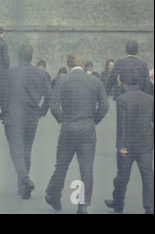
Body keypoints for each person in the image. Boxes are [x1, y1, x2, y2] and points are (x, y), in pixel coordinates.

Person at [45, 51, 109, 214]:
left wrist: (62, 119)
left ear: (69, 64)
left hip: (68, 129)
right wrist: (94, 119)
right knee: (86, 168)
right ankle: (83, 205)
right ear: (83, 63)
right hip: (87, 130)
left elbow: (53, 105)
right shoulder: (95, 80)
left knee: (61, 165)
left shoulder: (62, 80)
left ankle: (54, 194)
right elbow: (104, 105)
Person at [1, 44, 52, 200]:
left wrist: (4, 111)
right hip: (31, 117)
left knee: (16, 151)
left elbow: (4, 95)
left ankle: (25, 181)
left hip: (14, 116)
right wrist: (41, 112)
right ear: (31, 56)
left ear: (18, 56)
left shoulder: (10, 73)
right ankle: (23, 186)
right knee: (27, 150)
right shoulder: (40, 74)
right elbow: (50, 96)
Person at [104, 68, 154, 214]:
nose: (118, 83)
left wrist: (121, 146)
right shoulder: (149, 99)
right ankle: (149, 206)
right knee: (147, 175)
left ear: (124, 82)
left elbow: (122, 125)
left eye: (119, 80)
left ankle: (118, 204)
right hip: (146, 144)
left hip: (128, 145)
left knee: (122, 176)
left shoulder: (122, 100)